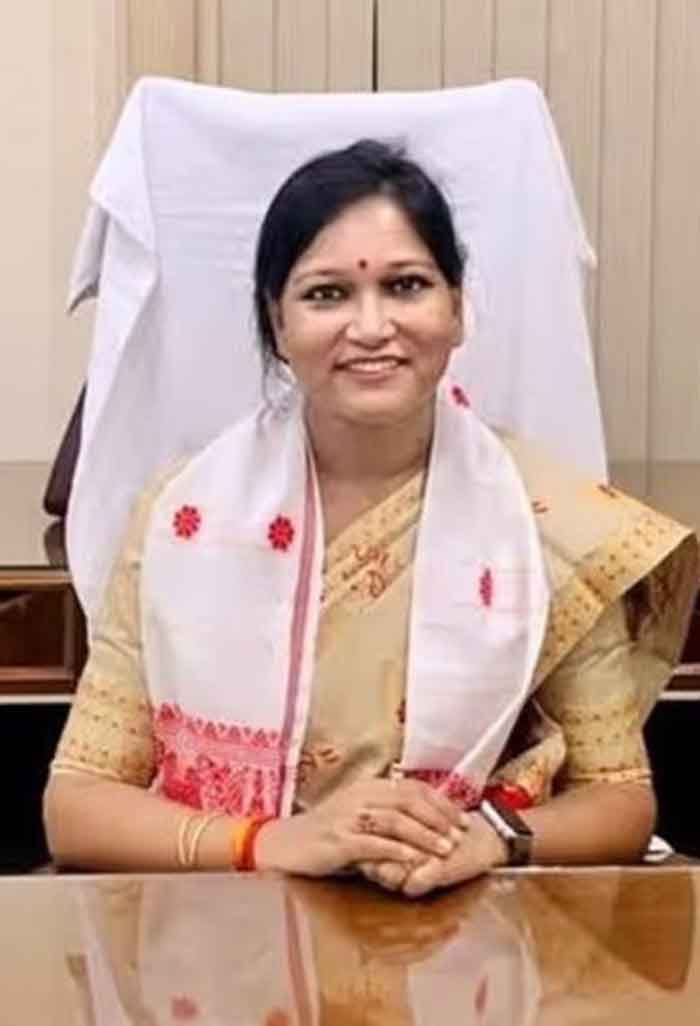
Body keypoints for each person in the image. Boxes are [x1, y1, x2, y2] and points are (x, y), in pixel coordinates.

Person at [44, 141, 698, 896]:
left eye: (406, 285)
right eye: (327, 294)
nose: (371, 326)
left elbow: (618, 798)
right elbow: (78, 806)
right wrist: (274, 842)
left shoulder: (546, 522)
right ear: (277, 323)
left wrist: (490, 839)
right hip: (228, 920)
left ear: (457, 308)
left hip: (466, 921)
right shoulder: (185, 519)